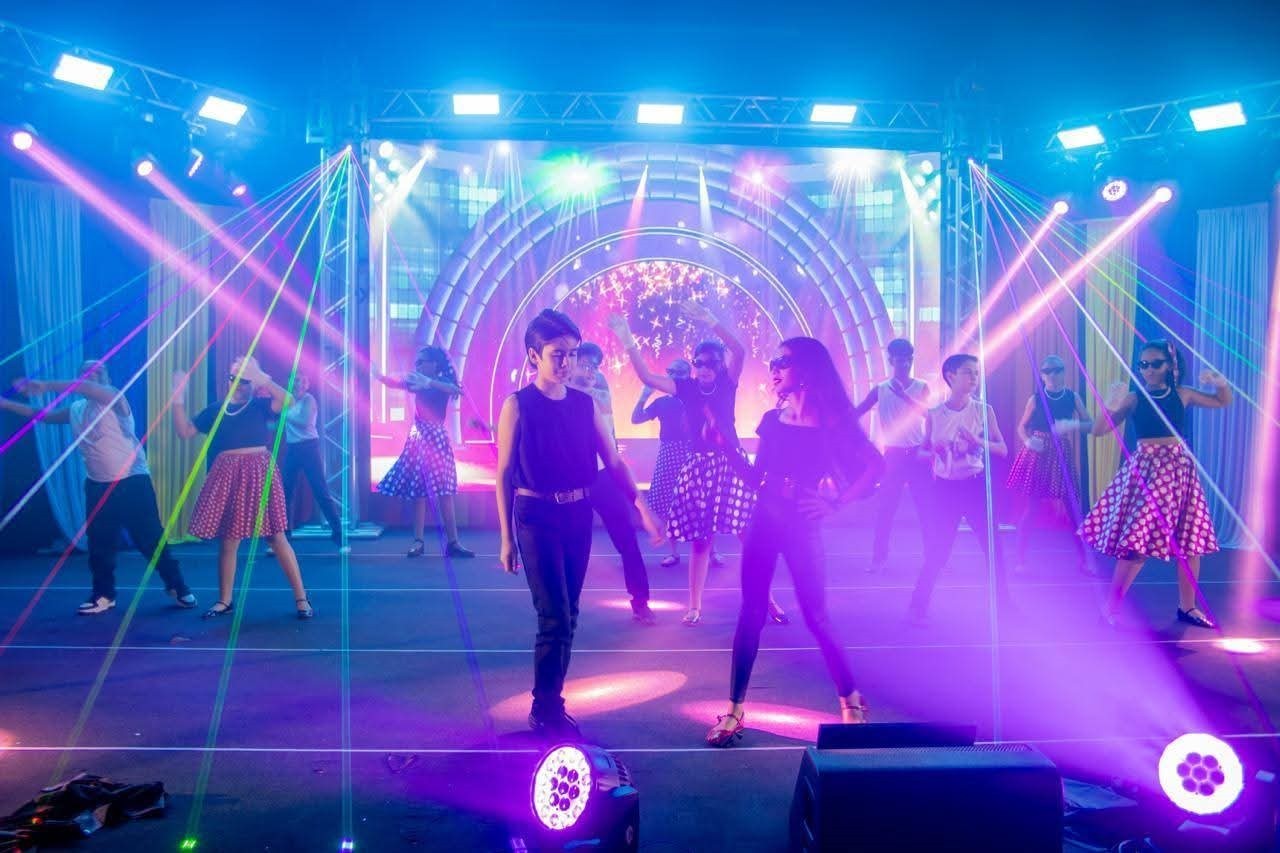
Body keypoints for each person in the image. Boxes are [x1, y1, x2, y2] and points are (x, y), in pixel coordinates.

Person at [706, 338, 883, 747]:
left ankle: (851, 703)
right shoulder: (772, 420)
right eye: (774, 361)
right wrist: (725, 447)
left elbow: (876, 466)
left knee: (817, 616)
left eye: (782, 362)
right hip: (763, 521)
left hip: (802, 526)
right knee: (751, 613)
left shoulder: (832, 423)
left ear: (806, 369)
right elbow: (756, 479)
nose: (774, 368)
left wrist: (835, 502)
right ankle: (734, 710)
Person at [495, 309, 652, 738]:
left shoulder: (586, 405)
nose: (567, 362)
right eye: (557, 354)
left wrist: (641, 506)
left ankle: (550, 704)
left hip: (577, 516)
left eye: (572, 353)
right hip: (535, 517)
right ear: (534, 356)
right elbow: (504, 473)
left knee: (570, 614)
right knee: (555, 616)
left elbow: (614, 462)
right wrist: (506, 538)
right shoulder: (517, 405)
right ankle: (546, 708)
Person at [610, 302, 786, 626]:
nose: (704, 368)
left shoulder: (728, 383)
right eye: (699, 363)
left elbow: (740, 350)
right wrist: (627, 339)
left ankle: (768, 600)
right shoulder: (686, 388)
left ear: (720, 365)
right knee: (701, 542)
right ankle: (694, 606)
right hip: (699, 468)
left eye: (710, 363)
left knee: (749, 537)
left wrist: (712, 321)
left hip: (732, 467)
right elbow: (646, 376)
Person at [0, 360, 196, 614]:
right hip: (97, 485)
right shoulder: (77, 409)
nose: (92, 375)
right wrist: (6, 404)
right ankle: (104, 595)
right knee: (100, 544)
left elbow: (86, 388)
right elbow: (44, 416)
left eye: (98, 371)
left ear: (107, 377)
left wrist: (46, 385)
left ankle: (177, 586)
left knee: (150, 540)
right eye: (86, 372)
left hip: (132, 482)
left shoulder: (114, 396)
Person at [1080, 339, 1230, 629]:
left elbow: (1221, 401)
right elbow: (1098, 430)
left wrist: (1220, 383)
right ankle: (1110, 608)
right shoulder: (1134, 398)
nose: (1148, 370)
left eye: (1155, 364)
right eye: (1143, 365)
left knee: (1190, 543)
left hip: (1179, 470)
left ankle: (1187, 607)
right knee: (1136, 542)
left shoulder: (1183, 394)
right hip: (1147, 471)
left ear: (1170, 365)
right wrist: (1109, 404)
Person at [171, 355, 313, 619]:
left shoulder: (261, 406)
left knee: (276, 537)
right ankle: (225, 600)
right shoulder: (216, 410)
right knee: (229, 541)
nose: (238, 383)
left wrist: (261, 378)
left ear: (253, 383)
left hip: (259, 473)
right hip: (228, 475)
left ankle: (301, 598)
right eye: (234, 378)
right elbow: (185, 431)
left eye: (245, 380)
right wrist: (177, 399)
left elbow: (289, 401)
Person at [907, 353, 1010, 623]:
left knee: (993, 548)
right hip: (946, 490)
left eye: (976, 372)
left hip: (975, 487)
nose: (974, 378)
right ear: (950, 376)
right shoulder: (935, 414)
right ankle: (918, 606)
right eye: (967, 372)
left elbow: (1002, 449)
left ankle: (1005, 606)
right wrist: (936, 451)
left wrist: (977, 442)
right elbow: (920, 453)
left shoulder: (983, 410)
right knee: (938, 550)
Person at [569, 342, 657, 625]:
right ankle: (566, 607)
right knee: (574, 545)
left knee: (627, 539)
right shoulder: (557, 390)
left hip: (603, 475)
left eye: (594, 366)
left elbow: (606, 418)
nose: (590, 370)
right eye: (585, 364)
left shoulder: (597, 388)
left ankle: (641, 601)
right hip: (572, 480)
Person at [375, 346, 474, 558]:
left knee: (445, 491)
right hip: (419, 438)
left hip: (437, 438)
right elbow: (393, 383)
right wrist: (378, 375)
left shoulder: (442, 381)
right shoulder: (416, 380)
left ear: (434, 364)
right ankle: (418, 541)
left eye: (421, 362)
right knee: (419, 491)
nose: (417, 365)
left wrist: (429, 382)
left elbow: (455, 390)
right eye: (416, 362)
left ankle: (453, 542)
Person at [631, 358, 724, 570]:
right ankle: (672, 552)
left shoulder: (696, 397)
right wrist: (644, 396)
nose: (674, 376)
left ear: (688, 376)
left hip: (695, 452)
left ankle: (712, 551)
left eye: (679, 372)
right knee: (668, 503)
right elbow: (636, 419)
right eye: (670, 371)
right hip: (668, 454)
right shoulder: (662, 402)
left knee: (703, 503)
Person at [1006, 355, 1093, 572]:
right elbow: (1021, 426)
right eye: (1047, 371)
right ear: (1042, 376)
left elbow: (1090, 424)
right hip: (1038, 452)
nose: (1052, 375)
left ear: (1063, 372)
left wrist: (1072, 425)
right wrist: (1028, 441)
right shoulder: (1035, 399)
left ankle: (1085, 560)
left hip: (1061, 451)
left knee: (1072, 508)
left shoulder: (1072, 397)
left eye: (1056, 370)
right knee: (1033, 508)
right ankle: (1020, 560)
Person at [853, 338, 931, 573]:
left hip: (917, 455)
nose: (904, 364)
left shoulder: (922, 387)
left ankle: (934, 558)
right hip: (893, 455)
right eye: (899, 360)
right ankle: (879, 558)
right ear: (891, 361)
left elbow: (930, 416)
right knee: (885, 510)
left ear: (912, 360)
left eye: (908, 360)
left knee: (926, 509)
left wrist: (905, 396)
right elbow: (857, 412)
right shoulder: (881, 389)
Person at [280, 374, 347, 552]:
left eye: (303, 381)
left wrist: (283, 414)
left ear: (307, 385)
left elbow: (304, 422)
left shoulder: (308, 400)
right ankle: (285, 537)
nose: (300, 384)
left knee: (321, 491)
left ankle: (339, 536)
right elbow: (275, 423)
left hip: (309, 448)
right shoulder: (286, 399)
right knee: (286, 492)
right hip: (292, 449)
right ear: (290, 382)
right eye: (296, 380)